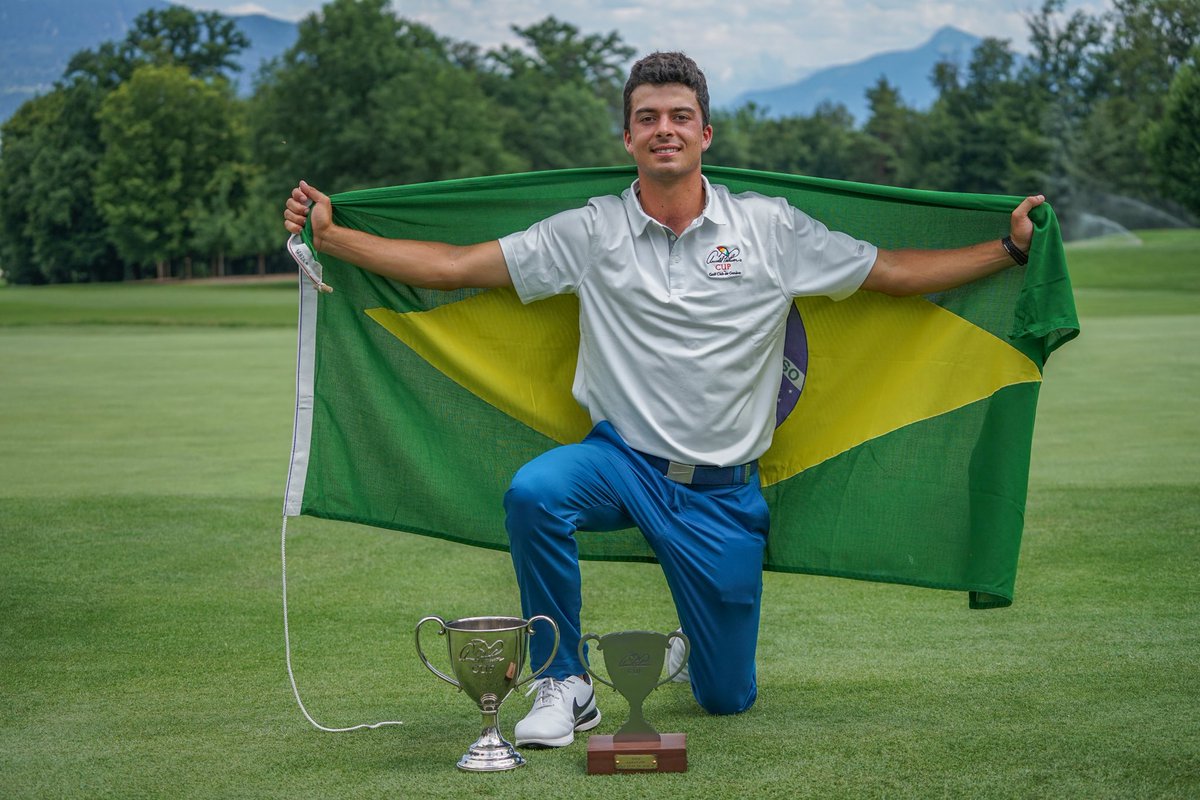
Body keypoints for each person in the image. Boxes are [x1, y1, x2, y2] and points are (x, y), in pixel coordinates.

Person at [284, 51, 1045, 749]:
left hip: (722, 493)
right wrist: (335, 239)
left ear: (705, 133)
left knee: (726, 698)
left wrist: (1008, 249)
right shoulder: (591, 230)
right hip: (621, 463)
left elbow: (895, 273)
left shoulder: (770, 228)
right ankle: (565, 681)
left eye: (680, 116)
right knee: (535, 493)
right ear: (628, 139)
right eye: (647, 118)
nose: (664, 129)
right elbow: (455, 266)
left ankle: (687, 646)